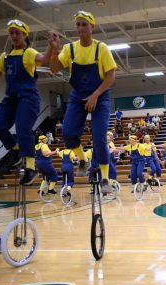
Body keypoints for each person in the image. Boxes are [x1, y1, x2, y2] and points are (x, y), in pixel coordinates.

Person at [49, 10, 117, 194]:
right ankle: (83, 160)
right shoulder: (70, 49)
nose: (80, 28)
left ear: (92, 26)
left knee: (99, 137)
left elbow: (110, 75)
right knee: (69, 133)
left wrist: (95, 95)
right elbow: (54, 69)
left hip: (100, 96)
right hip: (78, 95)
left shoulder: (100, 48)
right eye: (78, 24)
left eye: (84, 24)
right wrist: (54, 49)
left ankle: (104, 178)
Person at [0, 19, 52, 186]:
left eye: (17, 33)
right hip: (11, 99)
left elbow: (44, 58)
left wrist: (51, 46)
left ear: (25, 34)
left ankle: (31, 168)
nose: (14, 36)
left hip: (28, 97)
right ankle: (16, 150)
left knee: (23, 129)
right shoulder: (5, 56)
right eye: (11, 33)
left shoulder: (29, 53)